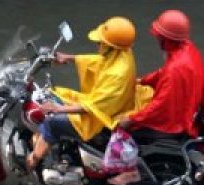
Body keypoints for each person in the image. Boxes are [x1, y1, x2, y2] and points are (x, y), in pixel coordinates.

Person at [26, 16, 142, 172]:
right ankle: (49, 145)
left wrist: (57, 109)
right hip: (101, 105)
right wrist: (69, 58)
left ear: (111, 46)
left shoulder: (118, 74)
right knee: (57, 93)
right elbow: (100, 62)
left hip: (101, 117)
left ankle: (32, 162)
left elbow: (94, 107)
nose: (97, 45)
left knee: (51, 122)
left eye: (101, 43)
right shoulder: (123, 53)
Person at [109, 9, 204, 185]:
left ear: (166, 39)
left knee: (117, 126)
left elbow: (160, 105)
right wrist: (142, 81)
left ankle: (130, 172)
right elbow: (163, 73)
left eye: (159, 36)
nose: (157, 39)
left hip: (175, 120)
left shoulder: (175, 69)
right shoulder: (187, 51)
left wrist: (131, 119)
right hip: (186, 107)